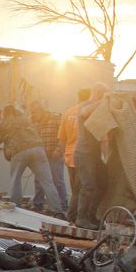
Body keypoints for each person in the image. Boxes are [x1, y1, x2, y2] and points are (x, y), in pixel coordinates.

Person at [0, 105, 64, 215]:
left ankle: (16, 209)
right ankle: (57, 210)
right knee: (47, 181)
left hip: (19, 151)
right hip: (38, 149)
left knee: (15, 180)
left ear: (5, 114)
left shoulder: (5, 123)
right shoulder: (25, 119)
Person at [74, 82, 110, 229]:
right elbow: (85, 113)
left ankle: (92, 216)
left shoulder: (99, 109)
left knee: (102, 184)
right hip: (84, 153)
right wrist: (105, 100)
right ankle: (81, 218)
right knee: (88, 186)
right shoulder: (85, 105)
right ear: (99, 94)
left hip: (95, 154)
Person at [57, 88, 90, 223]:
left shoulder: (68, 112)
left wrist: (63, 154)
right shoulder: (89, 112)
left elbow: (62, 137)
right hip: (84, 156)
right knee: (82, 188)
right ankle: (74, 217)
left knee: (75, 188)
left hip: (70, 155)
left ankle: (73, 216)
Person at [29, 100, 67, 212]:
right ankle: (38, 204)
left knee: (57, 180)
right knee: (39, 181)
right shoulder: (32, 120)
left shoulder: (55, 119)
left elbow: (63, 135)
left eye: (34, 112)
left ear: (41, 111)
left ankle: (62, 205)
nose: (33, 115)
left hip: (54, 155)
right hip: (40, 157)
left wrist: (59, 150)